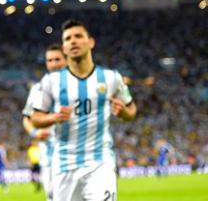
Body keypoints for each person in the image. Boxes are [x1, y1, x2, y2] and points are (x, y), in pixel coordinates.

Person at [31, 20, 137, 201]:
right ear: (64, 48)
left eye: (78, 36)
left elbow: (131, 109)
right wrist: (54, 118)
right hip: (64, 164)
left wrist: (124, 113)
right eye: (68, 38)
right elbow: (35, 118)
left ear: (91, 42)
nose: (73, 41)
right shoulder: (50, 81)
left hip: (100, 162)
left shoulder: (111, 78)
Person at [22, 43, 67, 201]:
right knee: (53, 197)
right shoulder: (38, 88)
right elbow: (27, 119)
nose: (54, 64)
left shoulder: (77, 86)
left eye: (58, 59)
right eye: (50, 60)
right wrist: (35, 132)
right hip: (48, 155)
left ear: (67, 60)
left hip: (73, 154)